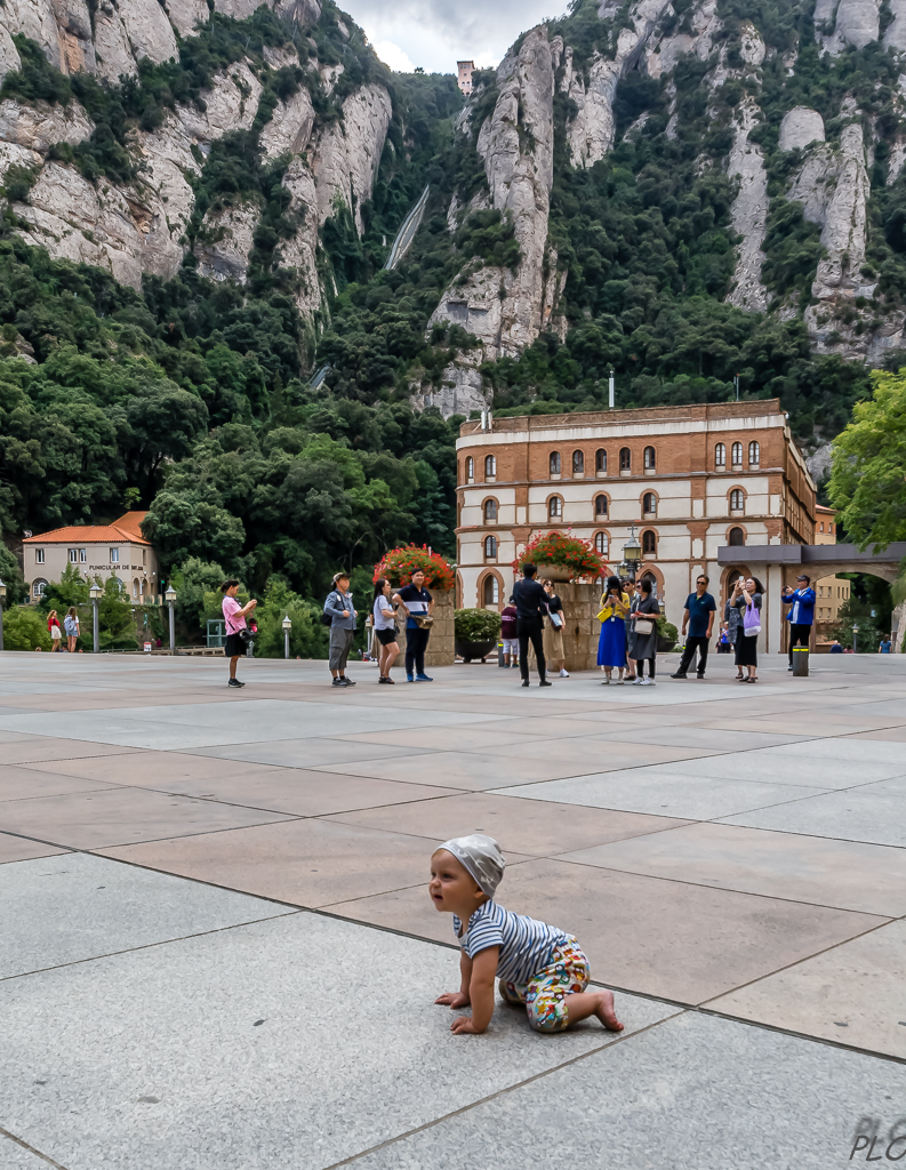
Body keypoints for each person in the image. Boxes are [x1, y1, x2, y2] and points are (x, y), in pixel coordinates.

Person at [430, 833, 623, 1036]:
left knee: (545, 1018)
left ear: (478, 888)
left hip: (565, 963)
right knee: (507, 991)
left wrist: (477, 1024)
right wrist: (465, 993)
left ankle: (597, 1000)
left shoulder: (484, 927)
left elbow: (483, 982)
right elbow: (467, 958)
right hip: (541, 964)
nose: (434, 883)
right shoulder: (462, 917)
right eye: (433, 874)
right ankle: (540, 992)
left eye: (446, 877)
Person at [513, 563, 551, 688]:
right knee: (539, 651)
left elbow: (514, 599)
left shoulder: (517, 585)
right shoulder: (536, 586)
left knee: (523, 652)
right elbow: (546, 599)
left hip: (521, 620)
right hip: (534, 620)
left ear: (523, 573)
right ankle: (542, 679)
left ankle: (525, 679)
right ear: (534, 574)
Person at [671, 575, 716, 679]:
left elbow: (712, 615)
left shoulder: (709, 598)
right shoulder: (691, 597)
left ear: (706, 585)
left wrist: (709, 629)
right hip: (693, 630)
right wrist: (683, 626)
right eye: (698, 582)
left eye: (702, 583)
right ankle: (682, 672)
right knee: (687, 652)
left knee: (703, 653)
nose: (699, 584)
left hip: (704, 631)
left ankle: (700, 671)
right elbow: (687, 613)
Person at [394, 568, 435, 682]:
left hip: (424, 623)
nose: (420, 577)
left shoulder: (424, 591)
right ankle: (409, 673)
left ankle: (420, 673)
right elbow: (395, 597)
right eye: (417, 575)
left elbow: (432, 601)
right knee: (411, 649)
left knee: (421, 649)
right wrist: (405, 608)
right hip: (413, 623)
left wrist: (428, 613)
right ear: (412, 577)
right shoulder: (407, 589)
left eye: (422, 575)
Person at [220, 579, 257, 689]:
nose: (237, 591)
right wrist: (248, 605)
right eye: (236, 589)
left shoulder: (231, 600)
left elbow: (241, 614)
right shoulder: (228, 601)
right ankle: (232, 679)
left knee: (236, 656)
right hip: (234, 632)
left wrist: (250, 608)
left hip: (238, 631)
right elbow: (238, 614)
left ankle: (233, 678)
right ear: (231, 588)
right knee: (235, 656)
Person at [324, 572, 357, 688]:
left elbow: (348, 609)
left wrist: (353, 613)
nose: (347, 582)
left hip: (349, 627)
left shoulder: (347, 595)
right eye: (344, 580)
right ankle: (335, 677)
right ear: (337, 582)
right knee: (336, 650)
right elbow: (327, 608)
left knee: (344, 652)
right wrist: (341, 613)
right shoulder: (334, 595)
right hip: (339, 627)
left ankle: (342, 676)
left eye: (348, 580)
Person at [596, 575, 629, 684]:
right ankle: (607, 675)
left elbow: (626, 611)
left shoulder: (624, 596)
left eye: (615, 588)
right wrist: (608, 603)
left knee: (619, 648)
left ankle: (620, 675)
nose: (613, 590)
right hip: (607, 623)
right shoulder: (605, 596)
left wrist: (618, 601)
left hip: (619, 623)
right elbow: (600, 609)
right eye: (611, 588)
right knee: (605, 647)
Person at [781, 574, 816, 671]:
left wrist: (794, 593)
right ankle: (792, 663)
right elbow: (787, 600)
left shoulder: (811, 593)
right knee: (792, 642)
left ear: (805, 582)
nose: (798, 583)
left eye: (800, 581)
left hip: (804, 622)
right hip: (794, 621)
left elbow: (806, 601)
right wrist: (783, 594)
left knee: (804, 643)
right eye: (798, 581)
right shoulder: (797, 592)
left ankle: (803, 663)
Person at [629, 578, 659, 686]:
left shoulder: (652, 601)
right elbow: (632, 612)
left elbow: (657, 615)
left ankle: (651, 677)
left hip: (649, 630)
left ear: (645, 587)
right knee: (638, 652)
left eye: (638, 586)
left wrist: (644, 615)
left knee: (650, 653)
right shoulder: (637, 601)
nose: (637, 588)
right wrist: (633, 615)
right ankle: (640, 676)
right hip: (638, 629)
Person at [732, 576, 762, 683]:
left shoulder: (757, 596)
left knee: (751, 649)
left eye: (750, 583)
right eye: (747, 583)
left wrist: (744, 589)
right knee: (743, 650)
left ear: (756, 586)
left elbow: (750, 602)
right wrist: (735, 591)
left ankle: (753, 674)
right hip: (741, 626)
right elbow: (732, 604)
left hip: (751, 626)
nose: (748, 585)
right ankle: (749, 674)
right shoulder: (742, 596)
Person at [372, 577, 400, 684]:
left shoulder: (380, 598)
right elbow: (384, 613)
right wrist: (393, 615)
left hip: (382, 629)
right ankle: (386, 675)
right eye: (387, 585)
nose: (389, 587)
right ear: (382, 588)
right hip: (385, 629)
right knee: (395, 651)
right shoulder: (382, 598)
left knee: (384, 654)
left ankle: (382, 675)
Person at [542, 579, 569, 678]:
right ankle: (544, 669)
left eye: (551, 585)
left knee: (559, 646)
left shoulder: (556, 598)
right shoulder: (540, 598)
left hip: (554, 622)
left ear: (553, 587)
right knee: (545, 646)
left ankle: (562, 669)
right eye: (547, 584)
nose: (549, 586)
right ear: (544, 586)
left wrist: (563, 622)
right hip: (544, 623)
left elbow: (560, 611)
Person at [723, 589, 744, 679]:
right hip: (734, 628)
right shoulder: (729, 601)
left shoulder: (745, 599)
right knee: (737, 650)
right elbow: (726, 614)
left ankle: (750, 671)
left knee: (745, 650)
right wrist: (726, 623)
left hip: (745, 627)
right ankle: (740, 671)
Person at [625, 581, 643, 681]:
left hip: (637, 626)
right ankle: (630, 671)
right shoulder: (623, 597)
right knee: (627, 649)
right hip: (627, 625)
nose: (625, 587)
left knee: (635, 649)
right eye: (623, 585)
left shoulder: (637, 598)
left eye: (627, 584)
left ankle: (637, 672)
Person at [500, 596, 518, 669]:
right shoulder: (515, 611)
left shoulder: (504, 611)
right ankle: (514, 663)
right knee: (515, 648)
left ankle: (506, 663)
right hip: (514, 633)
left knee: (506, 648)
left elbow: (501, 623)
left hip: (505, 633)